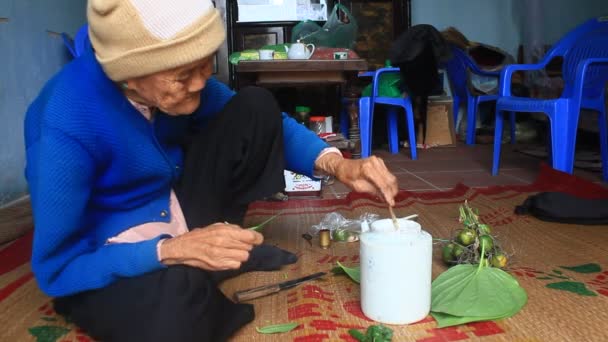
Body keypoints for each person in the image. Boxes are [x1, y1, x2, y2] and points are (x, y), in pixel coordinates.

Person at [23, 1, 399, 341]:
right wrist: (169, 250)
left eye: (208, 62)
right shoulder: (65, 121)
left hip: (177, 205)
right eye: (185, 74)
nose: (202, 81)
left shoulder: (180, 85)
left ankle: (217, 252)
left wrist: (338, 164)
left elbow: (267, 122)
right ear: (130, 75)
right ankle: (202, 267)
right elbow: (60, 268)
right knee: (172, 314)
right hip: (119, 248)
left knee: (256, 105)